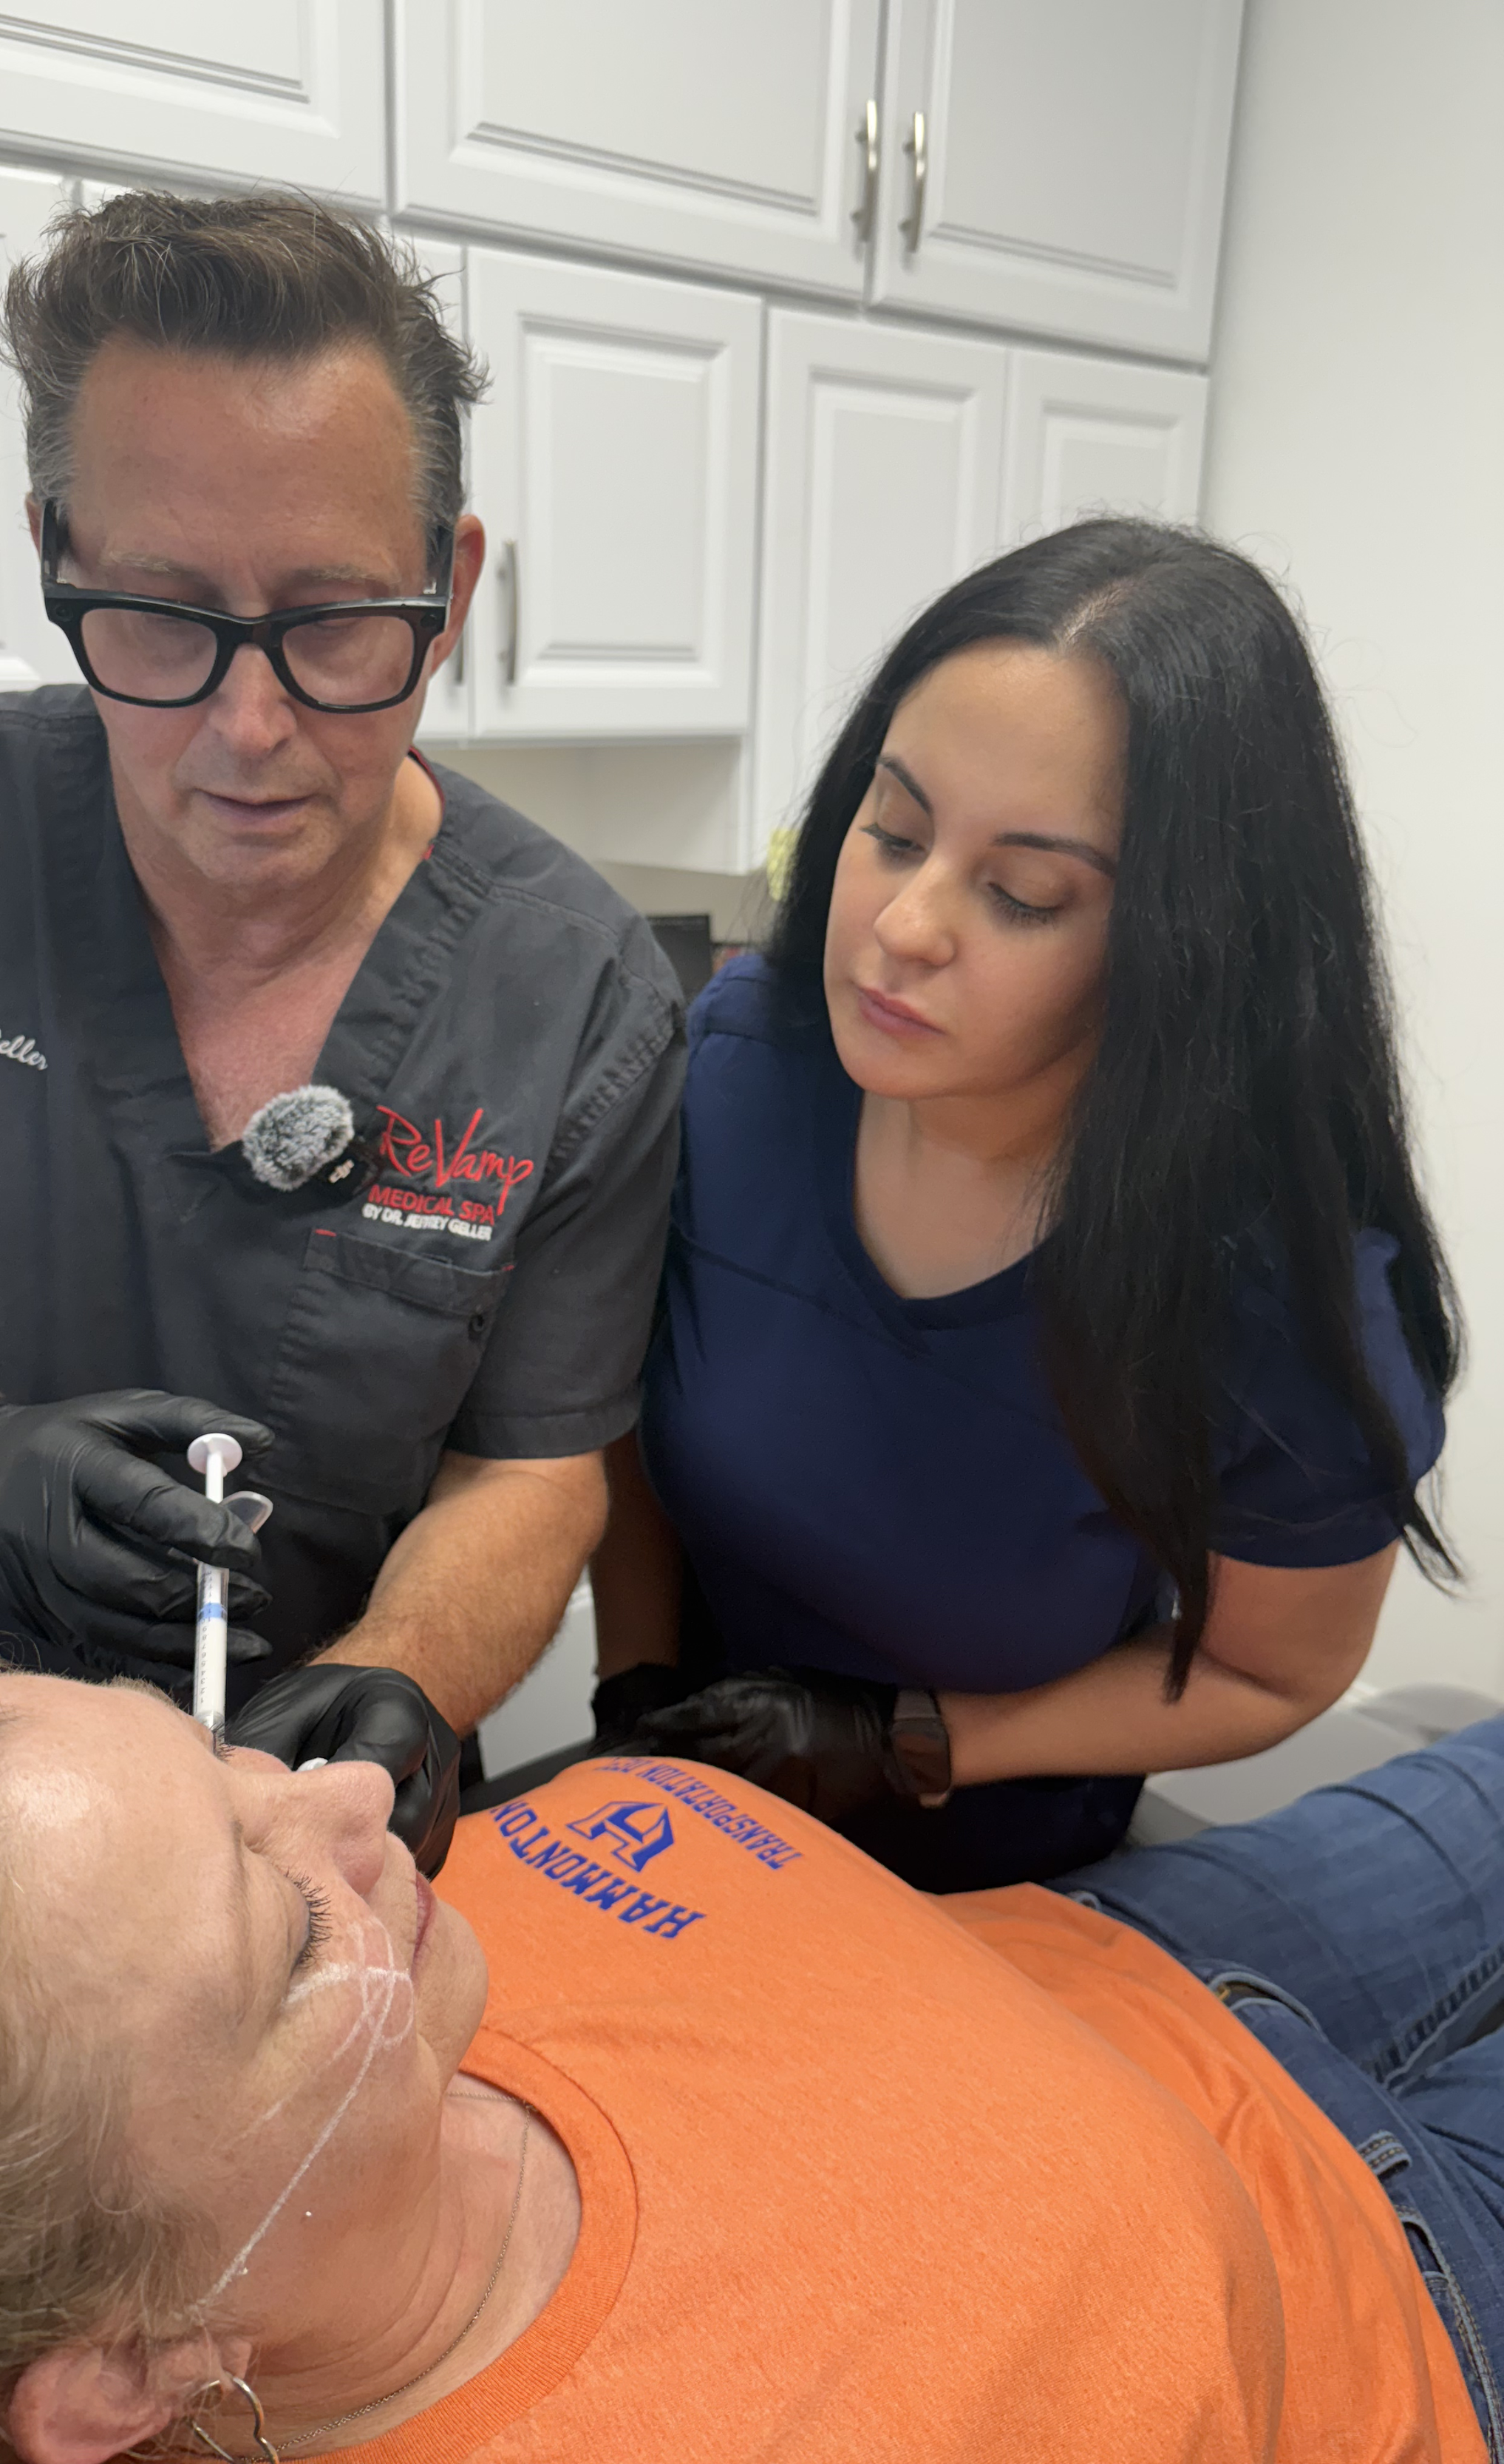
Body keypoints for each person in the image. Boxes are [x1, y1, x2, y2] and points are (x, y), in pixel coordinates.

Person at [0, 190, 684, 1816]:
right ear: (52, 556)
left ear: (452, 579)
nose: (249, 729)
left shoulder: (571, 993)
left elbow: (536, 1472)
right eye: (159, 613)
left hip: (325, 1825)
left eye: (336, 621)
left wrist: (403, 1680)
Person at [0, 1627, 1502, 2462]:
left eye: (218, 1753)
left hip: (1135, 1953)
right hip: (1381, 2270)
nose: (354, 1793)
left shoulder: (251, 2070)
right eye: (283, 1922)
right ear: (128, 2368)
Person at [590, 518, 1457, 1890]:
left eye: (1021, 893)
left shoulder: (1267, 1297)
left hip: (1001, 1887)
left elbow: (1270, 1671)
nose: (906, 924)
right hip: (679, 1829)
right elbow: (620, 1407)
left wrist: (921, 1740)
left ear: (1181, 950)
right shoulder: (744, 1070)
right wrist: (631, 1678)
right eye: (892, 828)